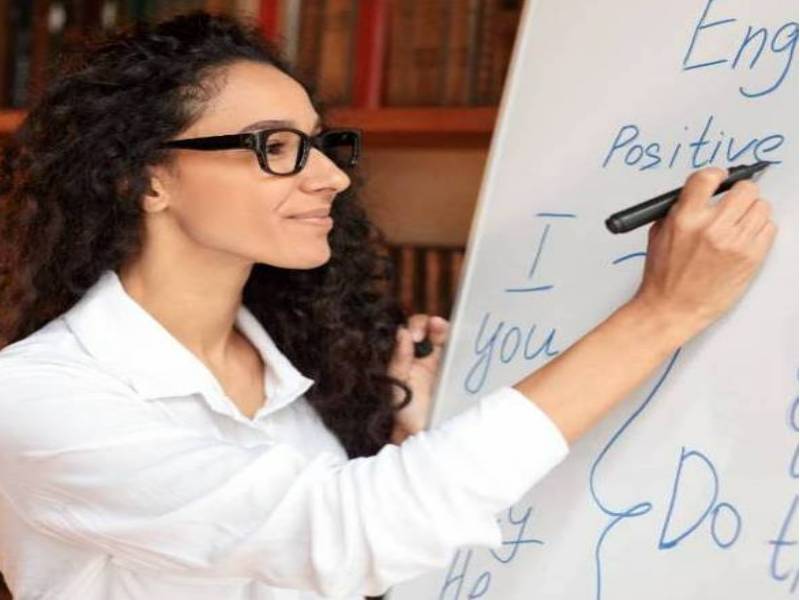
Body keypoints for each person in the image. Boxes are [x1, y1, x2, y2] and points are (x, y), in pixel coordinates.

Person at [0, 10, 777, 600]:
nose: (331, 178)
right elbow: (348, 532)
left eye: (320, 143)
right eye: (276, 147)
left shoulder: (287, 372)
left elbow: (335, 567)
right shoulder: (37, 396)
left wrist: (409, 443)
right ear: (146, 179)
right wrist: (662, 314)